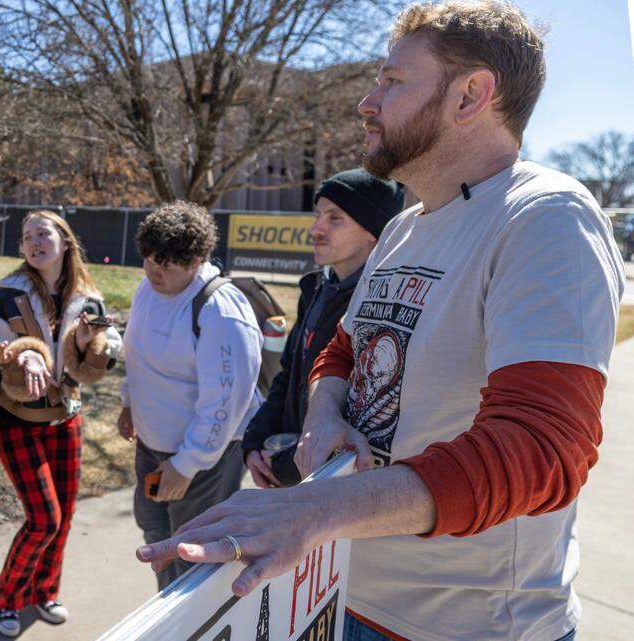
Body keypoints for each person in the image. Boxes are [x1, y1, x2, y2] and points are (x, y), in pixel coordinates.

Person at [136, 3, 624, 641]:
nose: (368, 102)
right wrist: (325, 414)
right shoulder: (401, 227)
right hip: (342, 592)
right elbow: (342, 352)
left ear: (471, 95)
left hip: (466, 627)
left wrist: (314, 507)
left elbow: (544, 449)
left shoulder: (546, 217)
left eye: (393, 82)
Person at [0, 210, 121, 637]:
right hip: (17, 419)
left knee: (65, 516)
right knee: (44, 520)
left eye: (43, 233)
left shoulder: (89, 299)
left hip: (66, 417)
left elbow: (97, 367)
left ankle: (45, 591)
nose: (34, 242)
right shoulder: (9, 292)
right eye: (27, 237)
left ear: (65, 240)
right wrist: (22, 353)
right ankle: (9, 598)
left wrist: (84, 345)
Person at [117, 201, 264, 589]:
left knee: (195, 552)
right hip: (153, 449)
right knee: (157, 537)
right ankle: (167, 612)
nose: (154, 271)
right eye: (149, 259)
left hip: (203, 463)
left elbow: (226, 402)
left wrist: (187, 463)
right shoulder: (147, 289)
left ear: (197, 260)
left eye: (167, 265)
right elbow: (137, 354)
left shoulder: (220, 311)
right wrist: (130, 401)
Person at [242, 169, 404, 487]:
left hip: (334, 487)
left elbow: (369, 414)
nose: (316, 229)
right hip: (289, 469)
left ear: (373, 232)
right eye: (318, 215)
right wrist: (254, 442)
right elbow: (287, 374)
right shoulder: (315, 289)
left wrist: (290, 464)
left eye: (335, 218)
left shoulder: (384, 307)